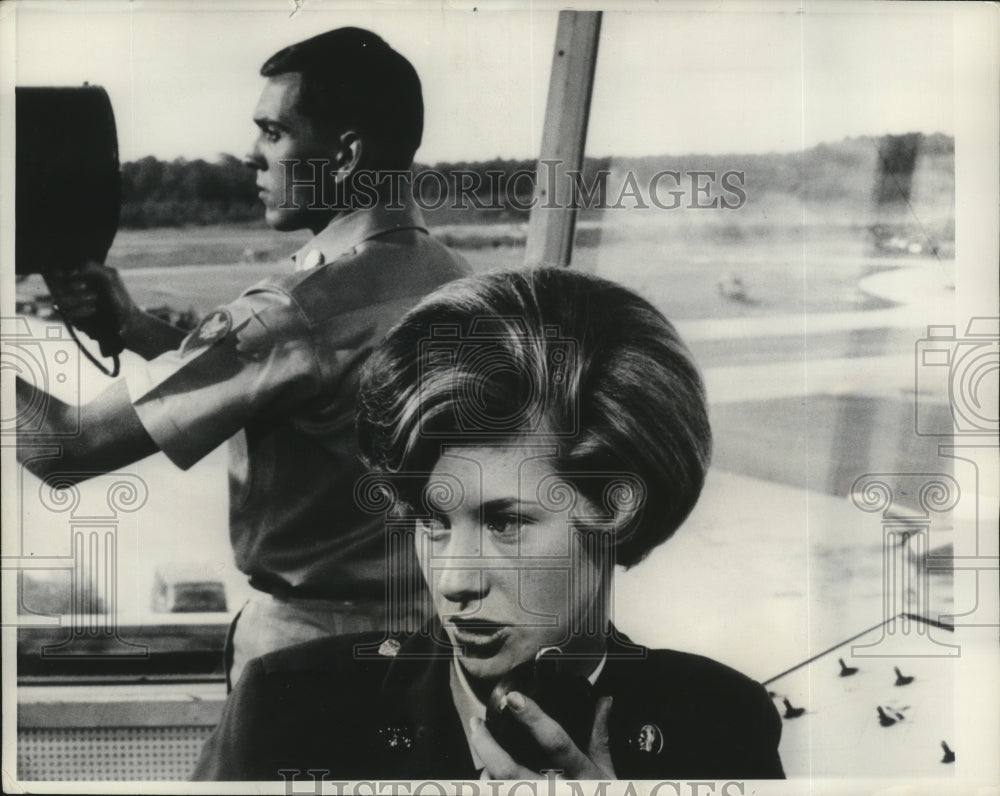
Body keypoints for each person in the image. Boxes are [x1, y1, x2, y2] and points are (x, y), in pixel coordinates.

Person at [193, 268, 785, 780]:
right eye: (433, 521)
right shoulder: (289, 708)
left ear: (612, 508)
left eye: (505, 524)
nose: (453, 582)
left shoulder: (723, 723)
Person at [15, 27, 470, 687]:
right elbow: (299, 392)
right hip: (429, 645)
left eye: (274, 132)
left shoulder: (295, 307)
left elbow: (64, 450)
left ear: (343, 155)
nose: (252, 157)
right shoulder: (455, 281)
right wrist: (136, 327)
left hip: (310, 655)